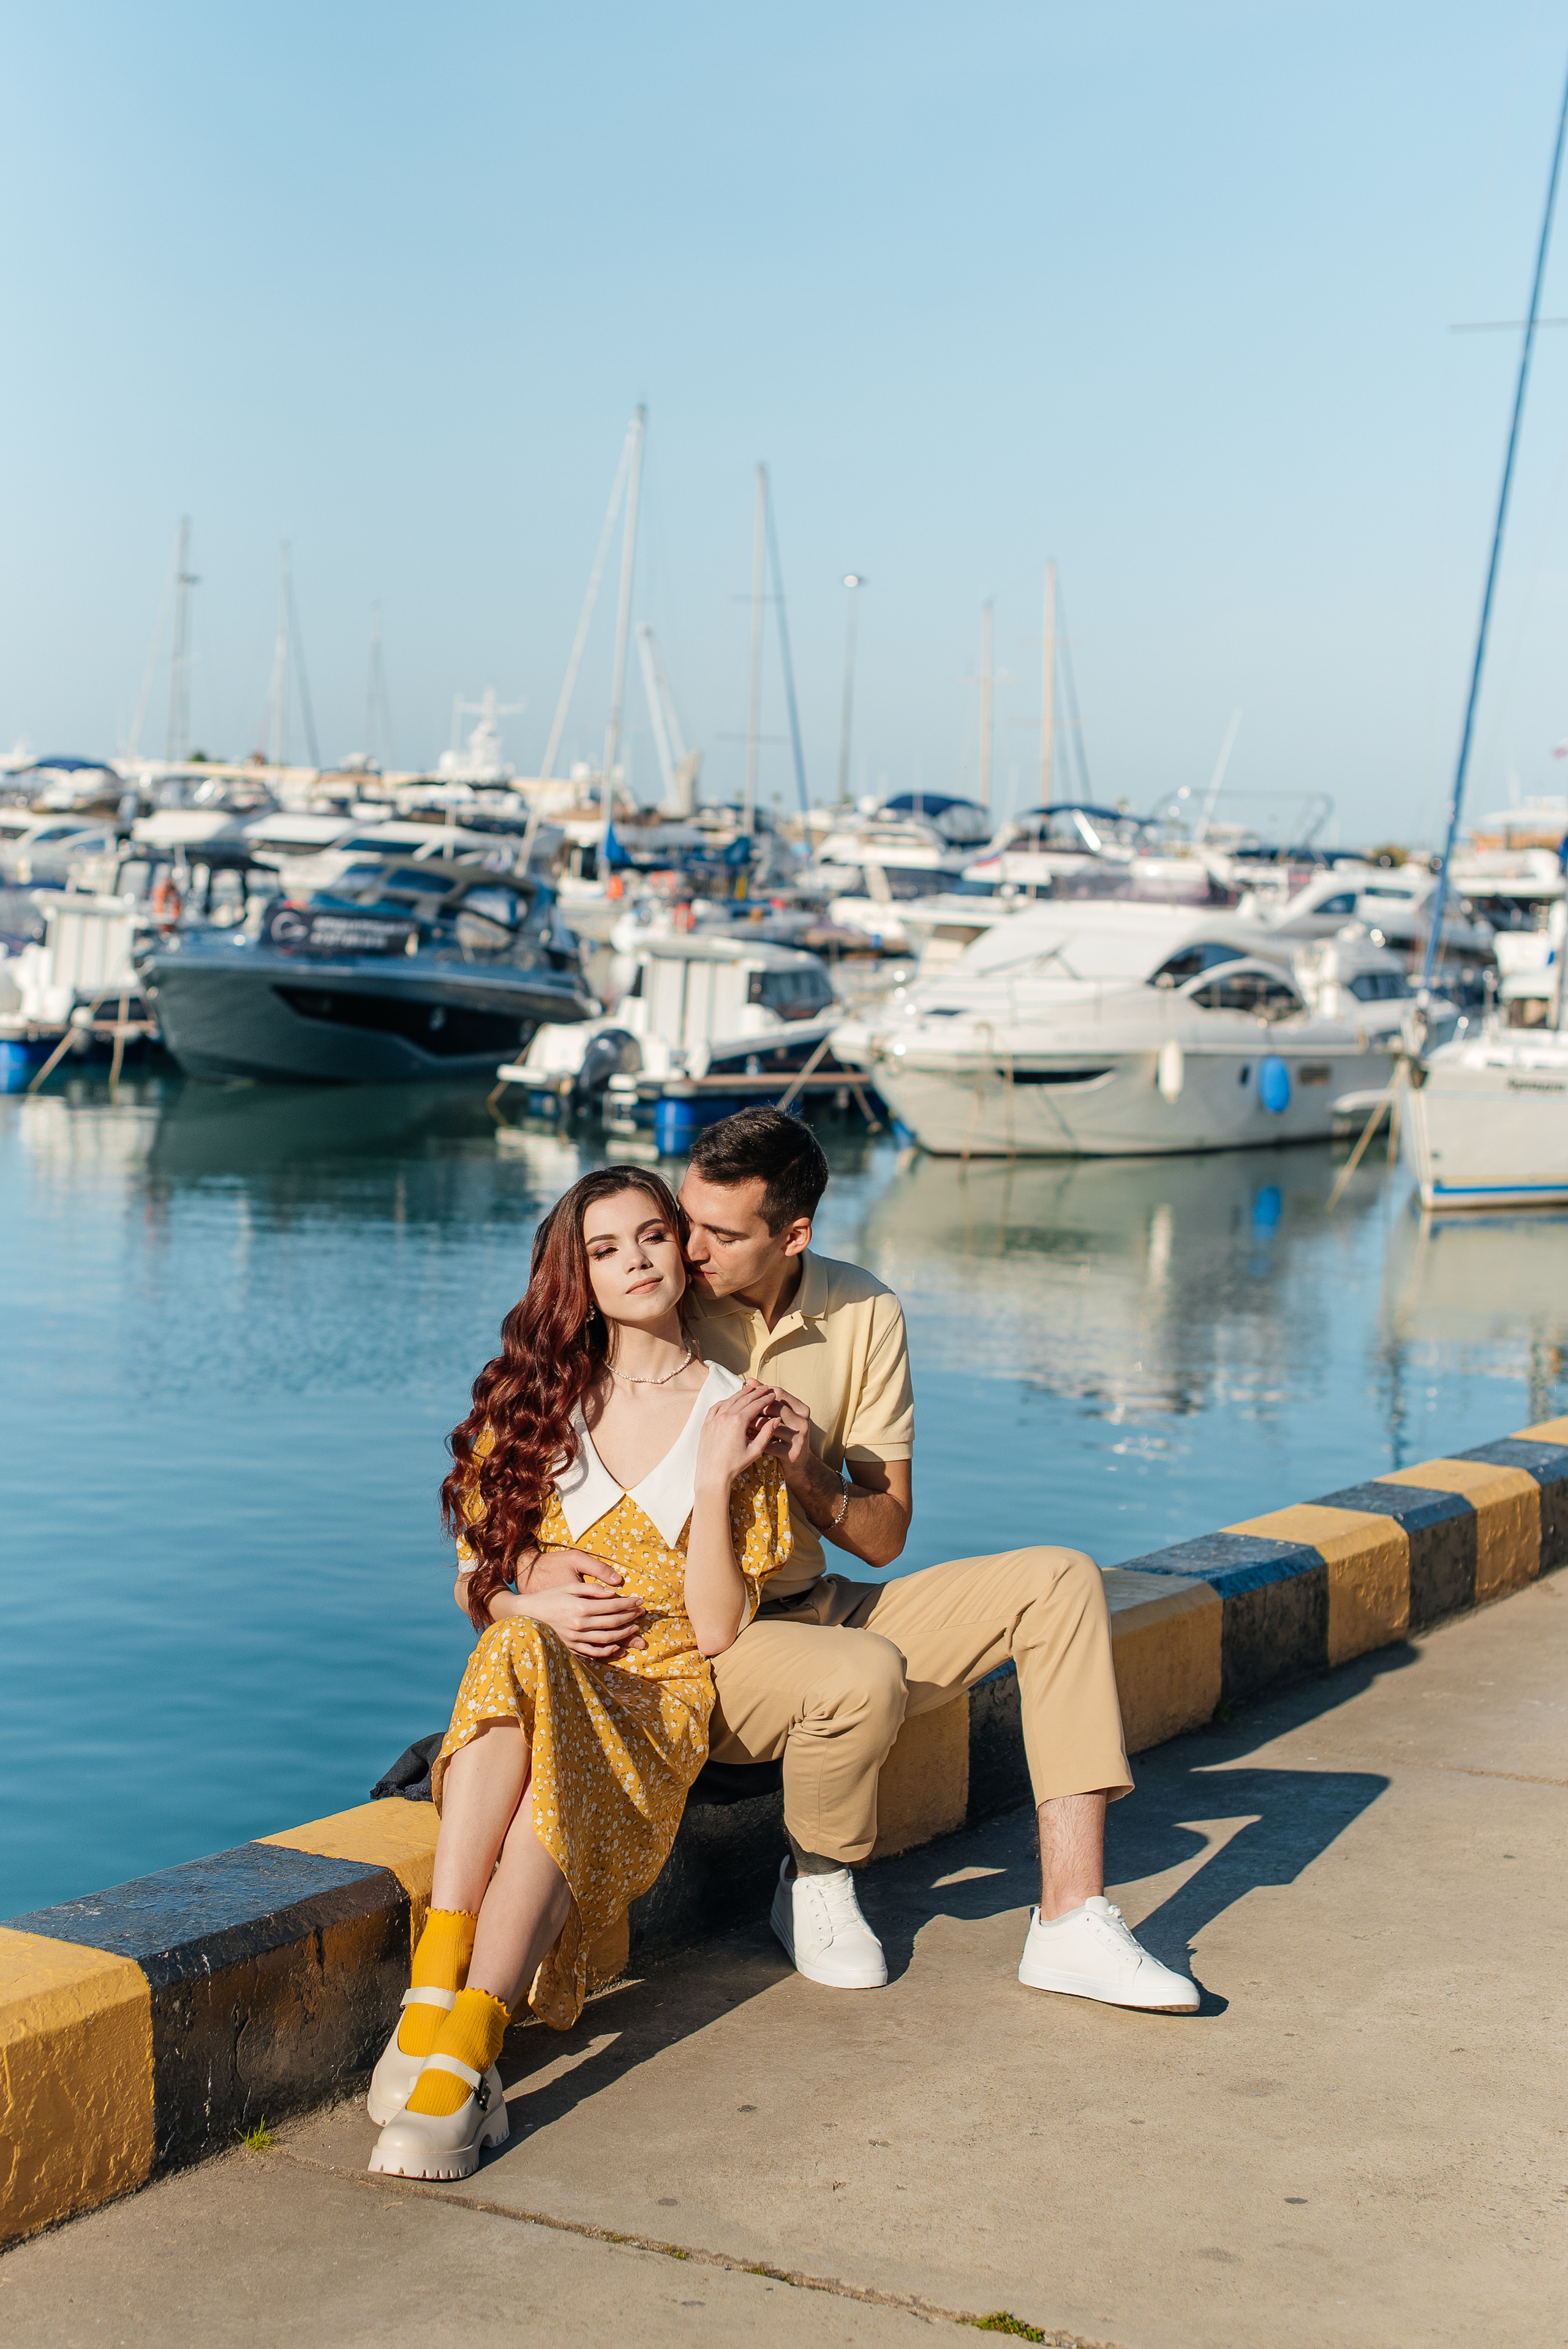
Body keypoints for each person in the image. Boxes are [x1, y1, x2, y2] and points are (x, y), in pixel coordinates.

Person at [677, 1107, 1199, 2013]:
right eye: (686, 1219)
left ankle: (1072, 1922)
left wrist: (811, 1474)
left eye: (720, 1233)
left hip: (823, 1603)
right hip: (717, 1638)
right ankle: (817, 1884)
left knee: (1062, 1580)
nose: (689, 1248)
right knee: (859, 1669)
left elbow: (885, 1534)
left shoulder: (865, 1309)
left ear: (794, 1234)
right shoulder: (663, 1303)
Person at [367, 1166, 791, 2182]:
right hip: (545, 1666)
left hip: (659, 1688)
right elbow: (481, 1585)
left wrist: (711, 1476)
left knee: (554, 1736)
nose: (637, 1262)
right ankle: (443, 2001)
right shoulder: (537, 1398)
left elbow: (723, 1629)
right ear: (579, 1277)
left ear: (682, 1254)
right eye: (606, 1250)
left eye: (652, 1237)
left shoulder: (741, 1410)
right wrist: (530, 1596)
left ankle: (463, 2040)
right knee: (514, 1641)